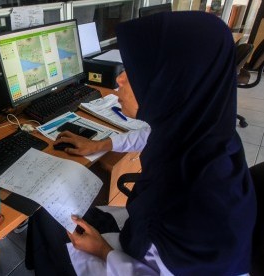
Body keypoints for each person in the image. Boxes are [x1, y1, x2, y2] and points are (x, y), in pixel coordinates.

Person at [25, 11, 256, 275]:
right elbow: (153, 135)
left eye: (134, 71)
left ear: (174, 82)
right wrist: (101, 145)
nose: (119, 80)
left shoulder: (201, 200)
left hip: (134, 263)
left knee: (47, 217)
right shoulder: (204, 133)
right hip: (143, 234)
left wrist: (102, 250)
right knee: (51, 213)